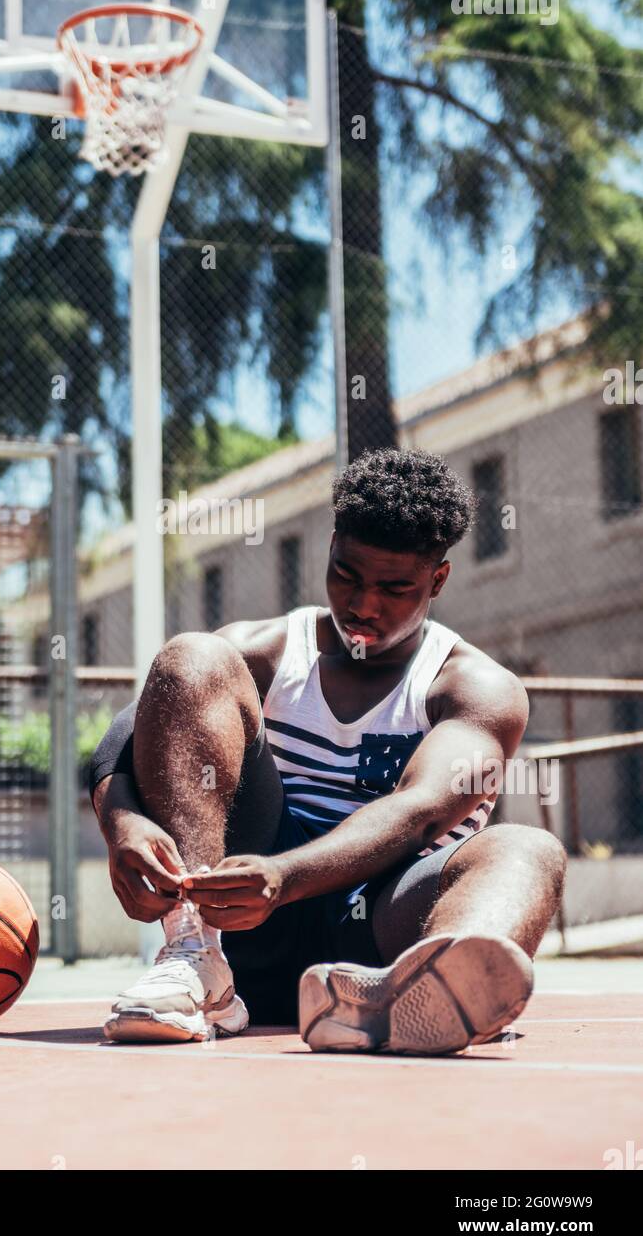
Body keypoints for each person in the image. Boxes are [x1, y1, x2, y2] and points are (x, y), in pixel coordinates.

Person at [89, 448, 566, 1053]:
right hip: (239, 917)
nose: (364, 605)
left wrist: (286, 878)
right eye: (347, 575)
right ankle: (195, 961)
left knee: (529, 849)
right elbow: (122, 739)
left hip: (380, 926)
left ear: (437, 579)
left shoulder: (474, 687)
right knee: (192, 657)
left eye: (395, 588)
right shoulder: (264, 651)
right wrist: (122, 822)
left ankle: (432, 990)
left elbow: (419, 812)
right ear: (332, 547)